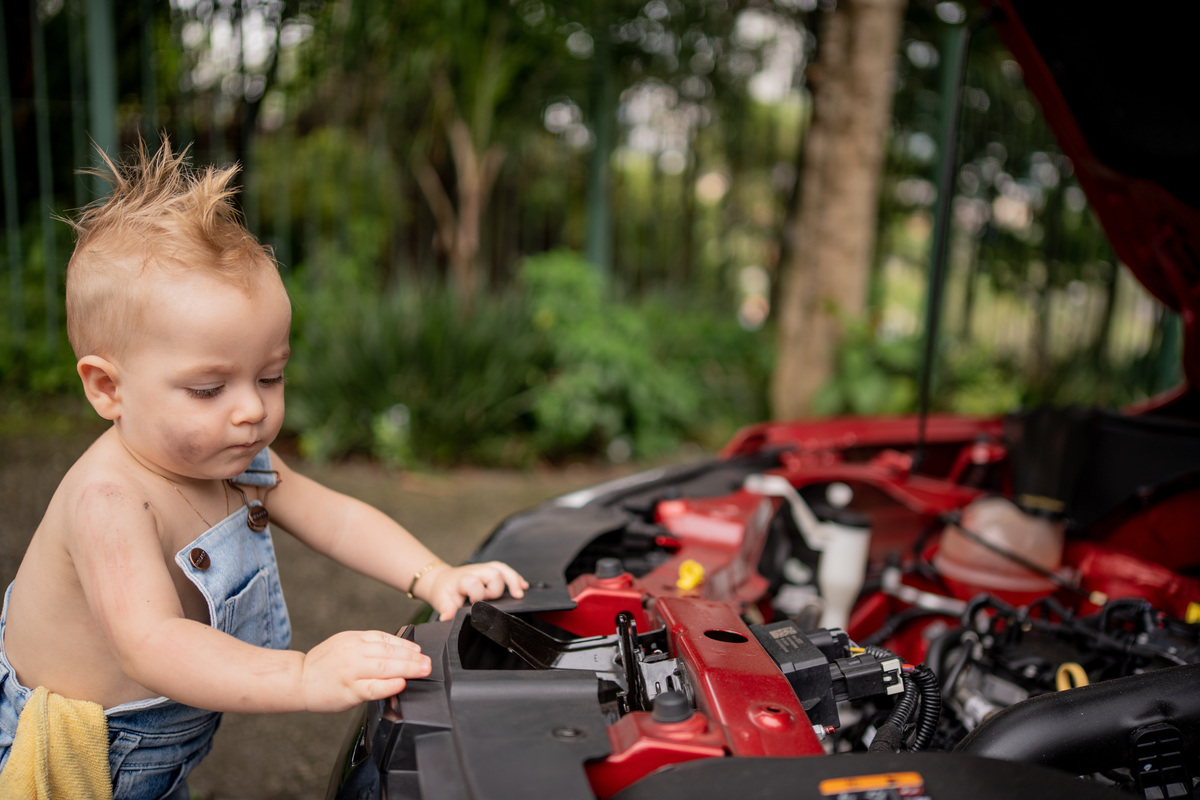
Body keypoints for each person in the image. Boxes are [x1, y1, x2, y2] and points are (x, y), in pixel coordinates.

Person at [0, 138, 528, 799]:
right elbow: (152, 643)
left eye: (270, 376)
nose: (250, 409)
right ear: (108, 389)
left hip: (156, 740)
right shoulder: (108, 499)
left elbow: (333, 517)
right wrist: (304, 676)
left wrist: (435, 573)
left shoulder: (235, 458)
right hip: (96, 755)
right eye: (207, 389)